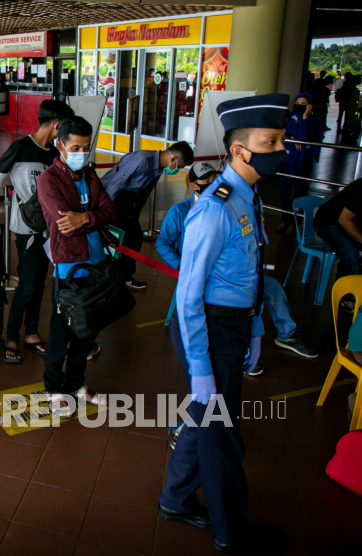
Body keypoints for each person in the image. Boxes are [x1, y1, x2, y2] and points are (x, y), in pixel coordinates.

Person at [159, 94, 289, 554]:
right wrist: (200, 364)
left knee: (204, 421)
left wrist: (254, 328)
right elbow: (189, 295)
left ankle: (175, 500)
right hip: (207, 330)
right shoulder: (214, 209)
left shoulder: (246, 198)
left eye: (280, 139)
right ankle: (231, 533)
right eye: (269, 141)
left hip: (232, 327)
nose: (280, 149)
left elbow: (250, 272)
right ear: (239, 150)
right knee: (223, 436)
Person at [159, 161, 318, 447]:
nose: (211, 182)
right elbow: (168, 252)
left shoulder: (243, 204)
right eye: (204, 179)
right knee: (211, 405)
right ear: (194, 185)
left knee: (272, 287)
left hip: (238, 307)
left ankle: (287, 333)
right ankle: (191, 442)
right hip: (210, 307)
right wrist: (184, 267)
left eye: (214, 177)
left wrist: (255, 327)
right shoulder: (199, 211)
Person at [36, 115, 116, 416]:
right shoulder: (48, 180)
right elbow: (65, 223)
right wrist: (89, 218)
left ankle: (76, 383)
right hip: (68, 268)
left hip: (97, 265)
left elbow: (111, 209)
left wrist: (85, 217)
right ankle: (54, 388)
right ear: (60, 146)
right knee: (61, 333)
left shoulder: (91, 176)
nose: (82, 153)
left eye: (86, 147)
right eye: (75, 147)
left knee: (87, 331)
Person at [0, 99, 74, 363]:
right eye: (65, 128)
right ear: (57, 125)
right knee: (27, 284)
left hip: (49, 230)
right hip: (26, 229)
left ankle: (31, 332)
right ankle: (11, 336)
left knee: (40, 283)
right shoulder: (20, 148)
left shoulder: (54, 154)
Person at [100, 140, 194, 290]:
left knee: (134, 240)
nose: (177, 170)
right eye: (179, 166)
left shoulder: (158, 169)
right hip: (116, 201)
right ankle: (109, 279)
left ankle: (124, 277)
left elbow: (144, 193)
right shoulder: (143, 160)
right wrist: (103, 212)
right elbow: (116, 184)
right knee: (117, 241)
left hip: (130, 205)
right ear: (174, 159)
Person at [277, 92, 323, 235]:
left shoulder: (314, 121)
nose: (300, 106)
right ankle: (285, 220)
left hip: (303, 160)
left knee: (299, 192)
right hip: (288, 160)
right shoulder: (290, 119)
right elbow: (283, 134)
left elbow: (304, 136)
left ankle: (295, 224)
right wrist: (291, 136)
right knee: (284, 190)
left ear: (309, 105)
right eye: (299, 103)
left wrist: (304, 119)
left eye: (304, 104)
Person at [313, 177, 362, 281]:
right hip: (328, 222)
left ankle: (355, 288)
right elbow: (344, 220)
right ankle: (342, 295)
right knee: (351, 257)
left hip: (347, 222)